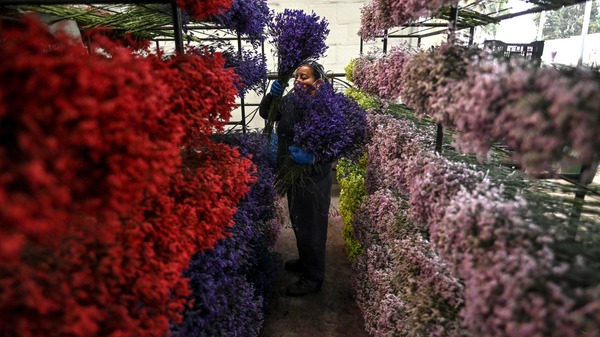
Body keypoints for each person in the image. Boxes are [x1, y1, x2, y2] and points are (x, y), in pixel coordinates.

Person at [259, 60, 332, 297]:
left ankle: (313, 278)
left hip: (312, 177)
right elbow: (266, 113)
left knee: (313, 226)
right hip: (292, 175)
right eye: (297, 77)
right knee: (299, 220)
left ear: (318, 82)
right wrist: (271, 97)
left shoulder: (326, 106)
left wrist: (312, 158)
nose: (299, 81)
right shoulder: (290, 100)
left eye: (305, 77)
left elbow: (337, 144)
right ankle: (305, 261)